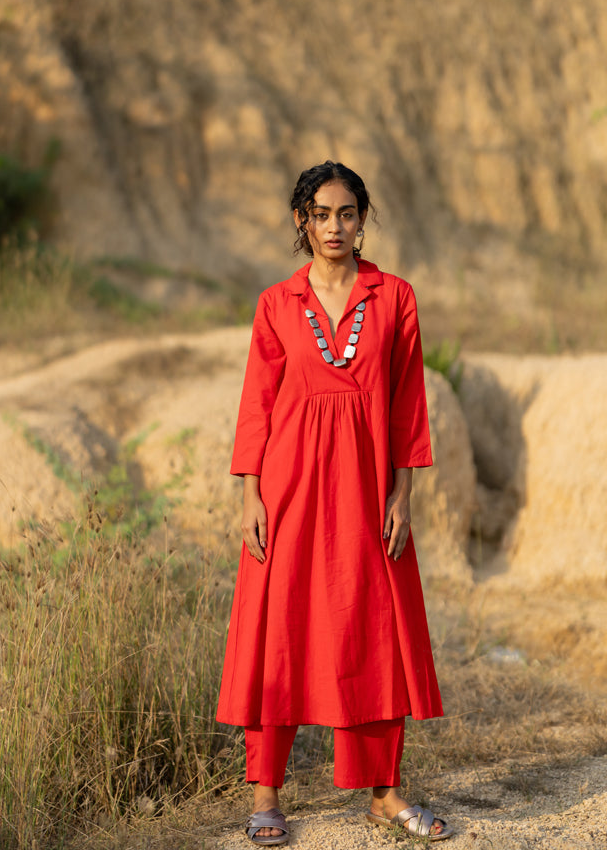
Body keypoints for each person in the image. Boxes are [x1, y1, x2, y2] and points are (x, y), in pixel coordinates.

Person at [216, 161, 454, 846]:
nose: (334, 227)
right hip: (288, 487)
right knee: (279, 628)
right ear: (302, 221)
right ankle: (266, 794)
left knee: (373, 626)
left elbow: (407, 401)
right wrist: (251, 494)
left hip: (367, 487)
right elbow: (257, 405)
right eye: (320, 214)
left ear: (362, 219)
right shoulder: (276, 303)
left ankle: (383, 795)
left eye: (347, 213)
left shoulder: (395, 297)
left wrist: (403, 492)